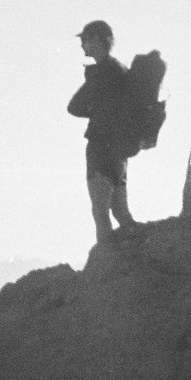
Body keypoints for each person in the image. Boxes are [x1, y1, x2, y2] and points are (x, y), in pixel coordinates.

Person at [67, 20, 138, 244]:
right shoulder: (120, 70)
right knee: (121, 212)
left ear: (97, 40)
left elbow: (74, 106)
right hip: (119, 152)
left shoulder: (101, 73)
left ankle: (106, 262)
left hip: (100, 148)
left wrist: (96, 112)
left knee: (100, 213)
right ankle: (138, 249)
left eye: (85, 40)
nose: (82, 46)